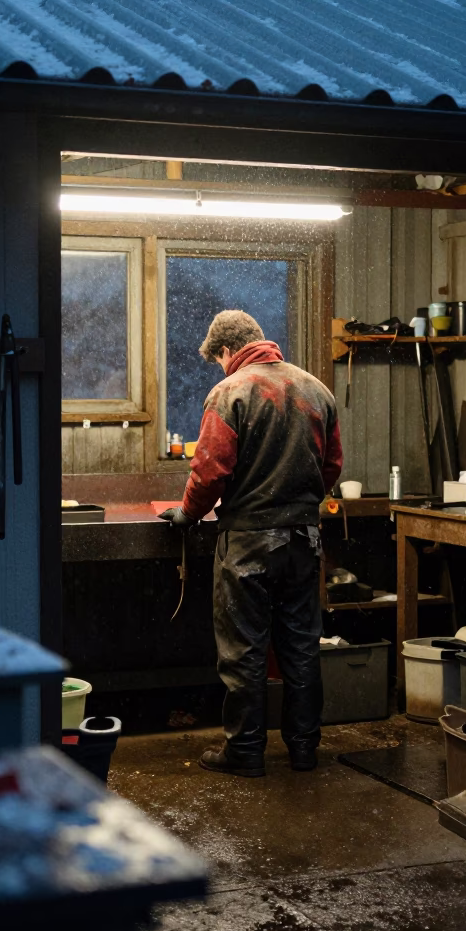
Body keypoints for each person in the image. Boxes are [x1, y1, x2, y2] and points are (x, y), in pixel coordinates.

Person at [159, 310, 343, 777]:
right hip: (304, 540)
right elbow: (332, 466)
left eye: (219, 360)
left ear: (226, 350)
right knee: (302, 647)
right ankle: (304, 749)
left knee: (244, 649)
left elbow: (210, 470)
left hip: (248, 544)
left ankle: (245, 752)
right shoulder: (315, 389)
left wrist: (187, 513)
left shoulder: (230, 391)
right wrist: (297, 503)